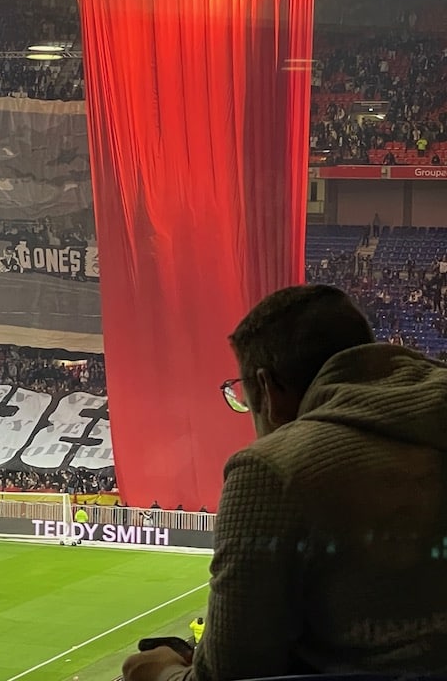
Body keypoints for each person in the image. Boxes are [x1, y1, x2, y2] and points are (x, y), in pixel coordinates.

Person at [122, 284, 447, 681]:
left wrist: (159, 672)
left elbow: (229, 674)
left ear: (269, 390)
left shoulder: (272, 470)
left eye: (245, 399)